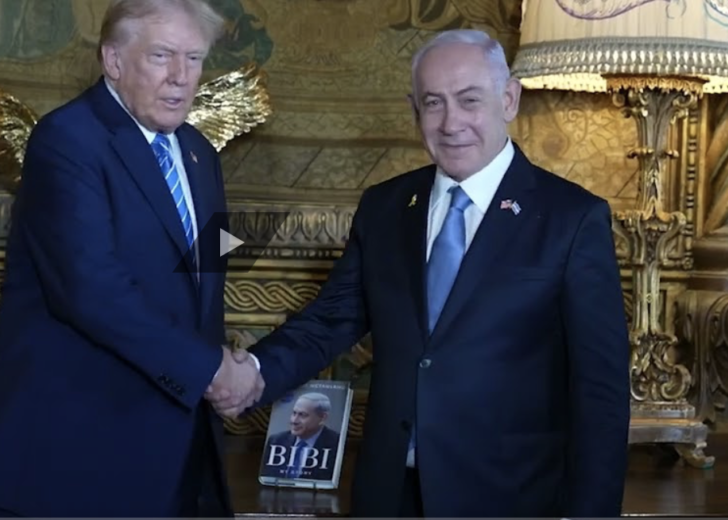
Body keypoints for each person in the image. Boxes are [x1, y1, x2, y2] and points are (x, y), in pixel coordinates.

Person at [233, 29, 632, 517]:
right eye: (433, 103)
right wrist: (251, 372)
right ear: (414, 110)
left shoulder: (571, 218)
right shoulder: (385, 207)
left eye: (469, 100)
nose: (451, 122)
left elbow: (600, 391)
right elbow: (332, 319)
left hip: (510, 498)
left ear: (509, 99)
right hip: (388, 496)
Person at [0, 0, 262, 517]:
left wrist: (241, 365)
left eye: (194, 58)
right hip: (68, 459)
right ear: (113, 60)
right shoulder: (68, 139)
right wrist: (212, 370)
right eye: (161, 56)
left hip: (174, 457)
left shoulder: (197, 153)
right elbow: (91, 289)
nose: (181, 76)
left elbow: (204, 266)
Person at [260, 392, 341, 482]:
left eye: (302, 415)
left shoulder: (337, 444)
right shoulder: (276, 440)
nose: (294, 421)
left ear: (322, 418)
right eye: (294, 413)